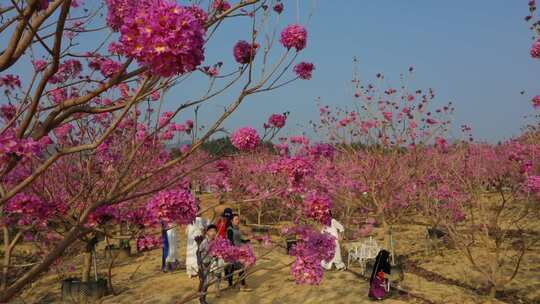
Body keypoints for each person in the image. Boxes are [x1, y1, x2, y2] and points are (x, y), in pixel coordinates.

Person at [225, 214, 252, 292]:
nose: (238, 221)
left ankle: (234, 284)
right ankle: (241, 285)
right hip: (233, 252)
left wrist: (247, 240)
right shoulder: (230, 229)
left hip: (239, 251)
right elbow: (230, 242)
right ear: (232, 221)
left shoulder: (237, 229)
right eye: (236, 219)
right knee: (238, 268)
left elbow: (240, 240)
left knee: (234, 268)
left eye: (238, 219)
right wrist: (236, 251)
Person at [198, 224, 222, 304]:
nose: (213, 233)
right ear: (207, 232)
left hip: (209, 264)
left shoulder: (214, 241)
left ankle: (201, 297)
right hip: (203, 265)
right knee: (205, 283)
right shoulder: (204, 242)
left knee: (206, 282)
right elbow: (198, 252)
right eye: (211, 231)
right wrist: (199, 264)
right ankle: (202, 300)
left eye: (215, 231)